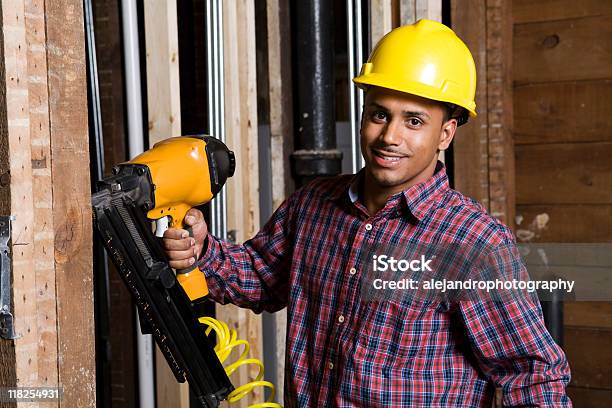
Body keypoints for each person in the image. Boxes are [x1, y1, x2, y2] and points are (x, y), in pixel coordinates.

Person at [163, 19, 571, 407]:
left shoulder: (472, 243)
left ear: (445, 133)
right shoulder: (313, 205)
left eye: (414, 121)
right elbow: (260, 275)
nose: (389, 136)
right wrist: (204, 252)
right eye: (379, 114)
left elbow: (533, 376)